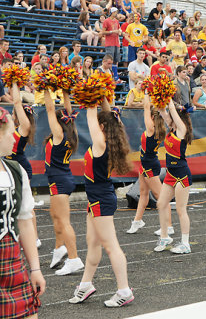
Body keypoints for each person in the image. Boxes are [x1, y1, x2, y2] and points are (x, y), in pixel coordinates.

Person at [69, 99, 134, 307]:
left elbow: (91, 117)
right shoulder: (107, 139)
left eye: (98, 125)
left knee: (111, 246)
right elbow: (108, 117)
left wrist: (90, 96)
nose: (94, 127)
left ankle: (124, 290)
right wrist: (103, 97)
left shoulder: (100, 144)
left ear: (102, 127)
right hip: (97, 200)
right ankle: (86, 284)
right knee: (93, 243)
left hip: (101, 200)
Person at [0, 107, 46, 319]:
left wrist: (35, 269)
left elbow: (25, 222)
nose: (14, 138)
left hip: (12, 261)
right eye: (10, 132)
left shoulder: (15, 170)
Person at [43, 88, 84, 275]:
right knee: (55, 216)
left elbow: (50, 110)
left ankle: (74, 258)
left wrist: (46, 88)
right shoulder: (71, 132)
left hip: (59, 180)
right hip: (60, 179)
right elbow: (67, 110)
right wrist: (66, 91)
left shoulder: (59, 134)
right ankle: (60, 248)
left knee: (64, 221)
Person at [127, 95, 174, 234]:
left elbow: (146, 107)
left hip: (149, 166)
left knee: (161, 197)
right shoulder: (157, 128)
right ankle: (137, 221)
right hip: (146, 164)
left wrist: (147, 92)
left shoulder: (151, 130)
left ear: (152, 118)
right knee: (143, 193)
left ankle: (169, 226)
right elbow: (148, 109)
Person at [155, 99, 193, 254]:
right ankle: (165, 237)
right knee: (161, 204)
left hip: (182, 174)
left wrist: (169, 98)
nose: (169, 118)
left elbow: (171, 111)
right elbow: (163, 113)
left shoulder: (181, 129)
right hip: (171, 173)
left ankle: (185, 243)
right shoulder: (171, 128)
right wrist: (158, 99)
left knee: (180, 209)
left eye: (173, 115)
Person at [6, 83, 41, 248]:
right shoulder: (13, 127)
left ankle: (35, 238)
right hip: (11, 168)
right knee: (17, 203)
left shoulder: (24, 128)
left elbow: (17, 103)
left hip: (20, 169)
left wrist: (14, 81)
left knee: (27, 204)